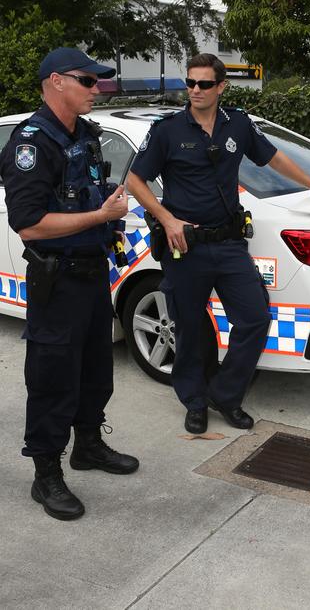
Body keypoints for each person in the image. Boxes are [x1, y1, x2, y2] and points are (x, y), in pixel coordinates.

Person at [126, 53, 310, 436]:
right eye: (190, 83)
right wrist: (167, 219)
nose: (195, 90)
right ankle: (194, 402)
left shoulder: (239, 124)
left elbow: (274, 159)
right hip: (186, 246)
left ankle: (225, 395)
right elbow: (135, 180)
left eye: (203, 84)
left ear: (221, 87)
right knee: (190, 329)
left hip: (229, 242)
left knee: (254, 318)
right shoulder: (167, 131)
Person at [0, 47, 139, 522]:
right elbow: (29, 224)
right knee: (53, 379)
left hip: (93, 273)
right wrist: (99, 215)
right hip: (57, 281)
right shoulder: (31, 144)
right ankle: (46, 475)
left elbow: (89, 190)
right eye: (87, 81)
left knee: (96, 372)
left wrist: (108, 217)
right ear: (57, 81)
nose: (95, 89)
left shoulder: (87, 135)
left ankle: (89, 446)